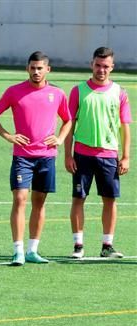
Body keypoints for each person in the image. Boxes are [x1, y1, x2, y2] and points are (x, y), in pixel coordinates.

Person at [0, 51, 72, 266]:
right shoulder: (14, 92)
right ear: (27, 69)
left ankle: (33, 250)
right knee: (19, 199)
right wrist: (9, 136)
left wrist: (60, 138)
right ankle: (18, 251)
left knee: (39, 203)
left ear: (48, 70)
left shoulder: (57, 93)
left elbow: (68, 120)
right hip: (22, 157)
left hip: (46, 157)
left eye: (40, 68)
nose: (36, 72)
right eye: (32, 68)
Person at [64, 46, 131, 259]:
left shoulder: (119, 92)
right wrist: (67, 154)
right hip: (82, 155)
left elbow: (125, 126)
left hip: (109, 155)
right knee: (78, 199)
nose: (101, 69)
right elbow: (68, 125)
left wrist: (126, 156)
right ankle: (78, 246)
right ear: (91, 64)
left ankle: (107, 245)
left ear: (112, 67)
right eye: (98, 65)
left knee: (110, 200)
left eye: (105, 66)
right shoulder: (78, 90)